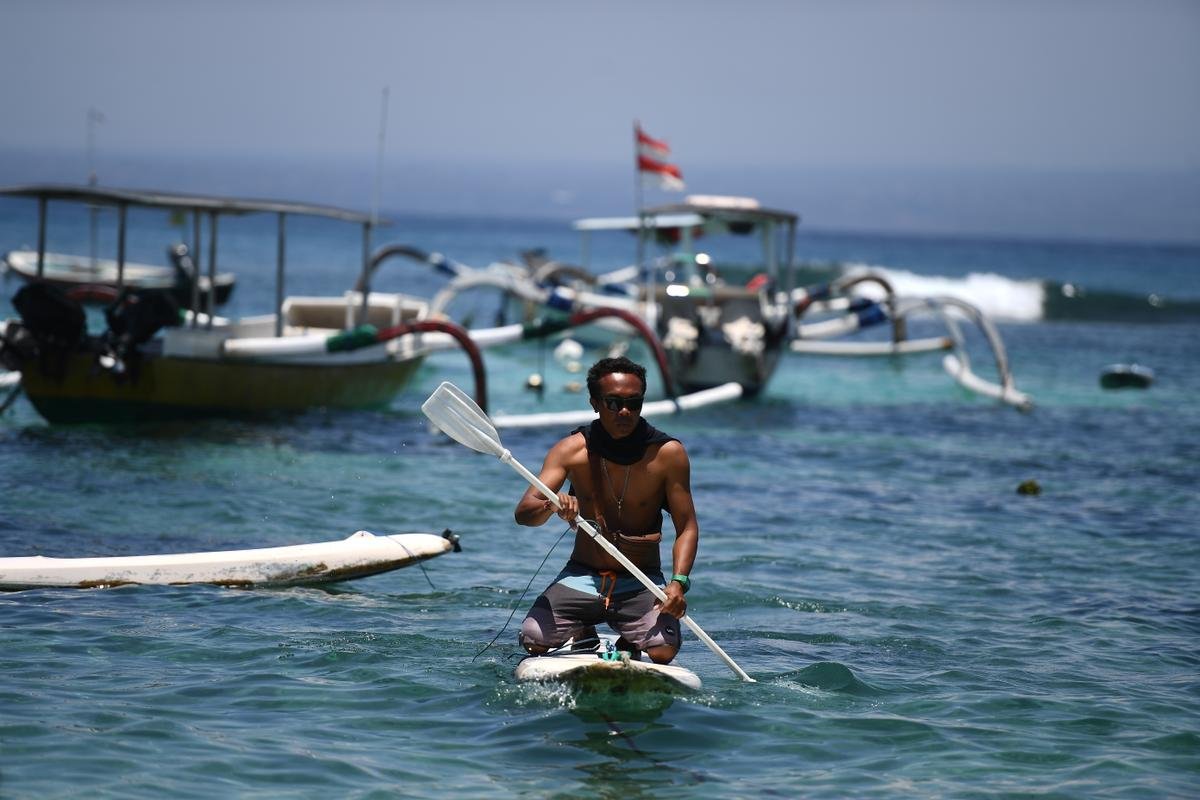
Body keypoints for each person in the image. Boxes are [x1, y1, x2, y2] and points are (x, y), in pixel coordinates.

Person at [514, 356, 698, 664]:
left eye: (634, 403)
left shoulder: (668, 455)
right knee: (533, 639)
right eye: (613, 403)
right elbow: (524, 513)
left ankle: (631, 637)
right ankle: (583, 628)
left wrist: (679, 583)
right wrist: (552, 503)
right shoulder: (571, 450)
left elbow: (687, 527)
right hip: (581, 576)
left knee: (663, 651)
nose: (624, 412)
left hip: (640, 580)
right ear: (595, 403)